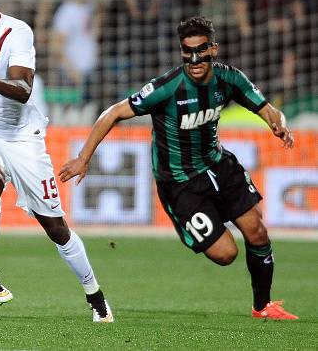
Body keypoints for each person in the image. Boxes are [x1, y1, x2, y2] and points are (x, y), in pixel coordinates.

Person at [59, 17, 298, 320]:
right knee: (226, 254)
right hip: (180, 183)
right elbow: (114, 112)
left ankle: (262, 306)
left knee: (257, 230)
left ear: (214, 48)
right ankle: (189, 222)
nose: (195, 59)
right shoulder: (167, 87)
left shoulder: (229, 79)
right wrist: (83, 157)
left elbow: (266, 107)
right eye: (187, 52)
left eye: (201, 50)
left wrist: (278, 123)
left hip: (218, 163)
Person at [0, 0, 113, 322]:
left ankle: (95, 295)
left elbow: (23, 88)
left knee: (56, 227)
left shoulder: (17, 33)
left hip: (22, 136)